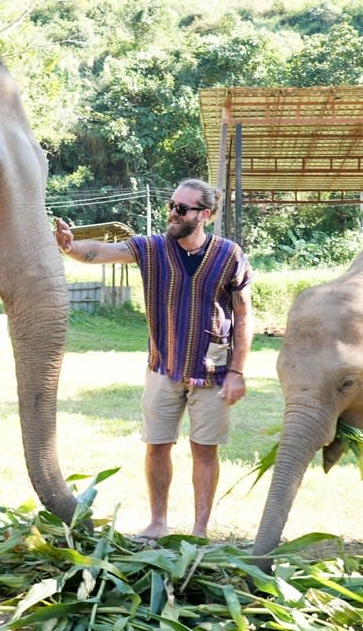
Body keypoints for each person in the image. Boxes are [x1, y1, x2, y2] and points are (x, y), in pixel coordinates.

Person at [54, 179, 254, 540]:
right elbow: (101, 251)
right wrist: (70, 248)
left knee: (204, 451)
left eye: (182, 208)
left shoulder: (229, 255)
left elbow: (243, 316)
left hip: (213, 371)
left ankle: (199, 529)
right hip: (164, 367)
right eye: (171, 205)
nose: (172, 213)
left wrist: (238, 370)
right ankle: (158, 522)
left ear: (204, 214)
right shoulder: (152, 248)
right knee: (158, 446)